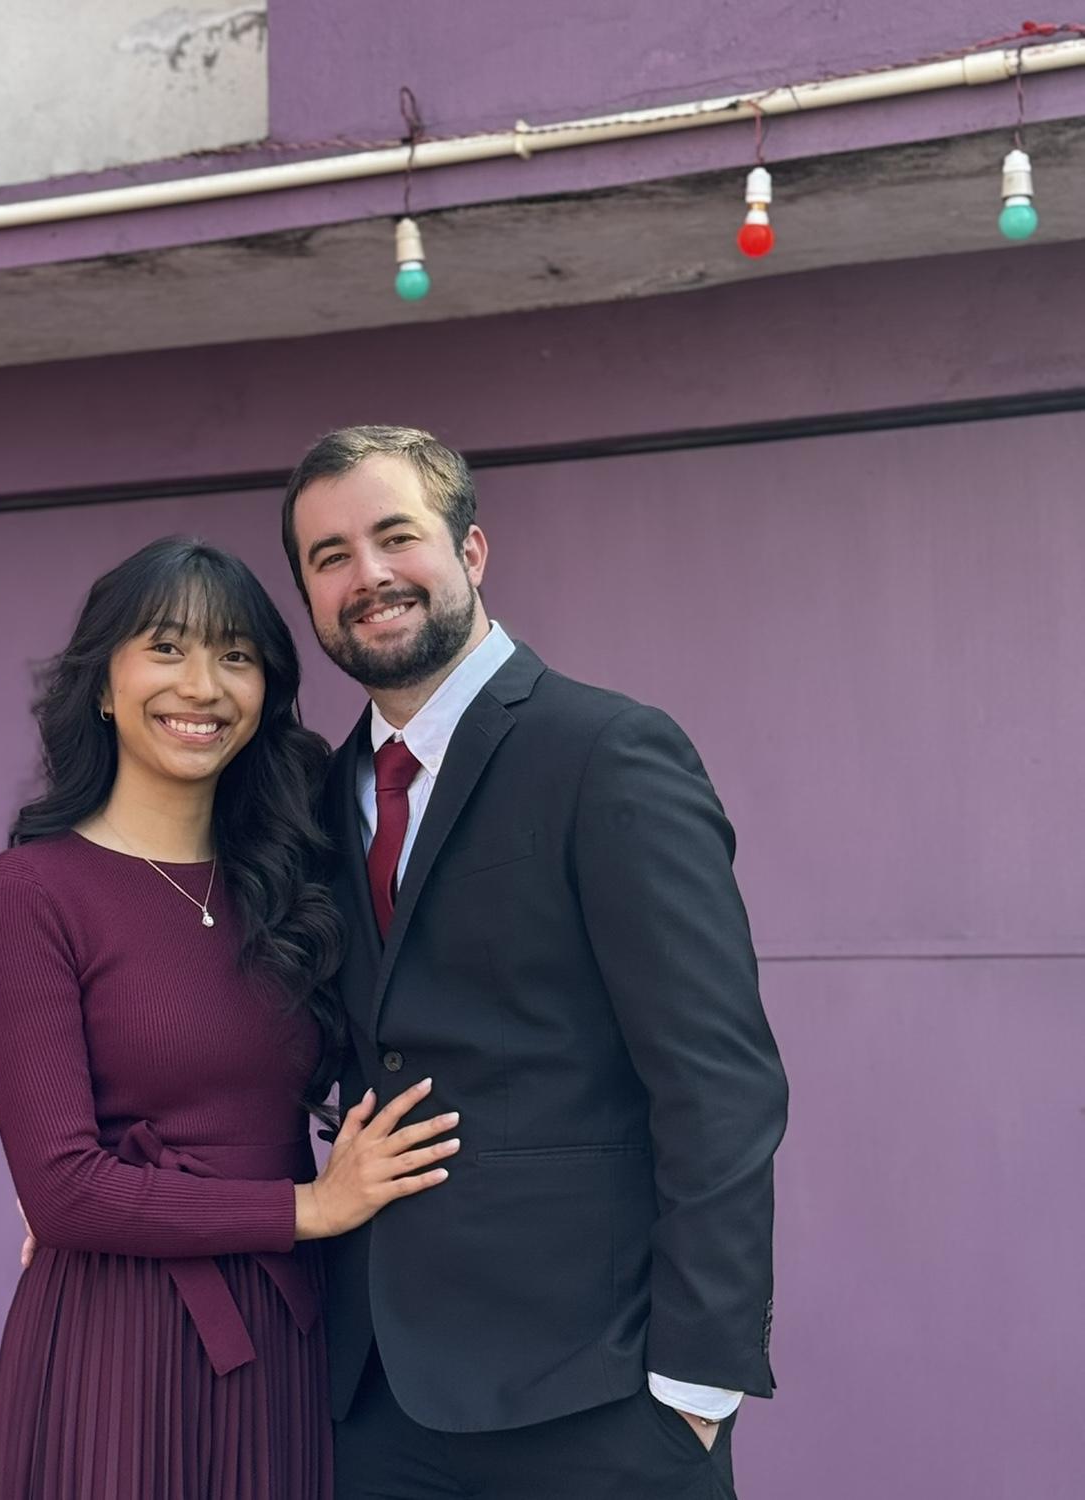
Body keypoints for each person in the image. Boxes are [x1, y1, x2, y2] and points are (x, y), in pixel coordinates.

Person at [280, 427, 789, 1499]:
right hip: (376, 1401)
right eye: (329, 558)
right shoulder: (324, 803)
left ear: (470, 552)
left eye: (393, 537)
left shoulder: (607, 754)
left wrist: (698, 1385)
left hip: (592, 1400)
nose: (366, 576)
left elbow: (719, 1082)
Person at [0, 536, 456, 1500]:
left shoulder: (295, 877)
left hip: (286, 1328)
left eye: (235, 656)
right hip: (115, 1336)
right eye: (166, 648)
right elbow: (64, 1189)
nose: (203, 685)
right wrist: (310, 1206)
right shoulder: (34, 890)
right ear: (102, 686)